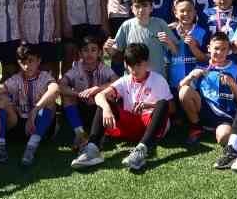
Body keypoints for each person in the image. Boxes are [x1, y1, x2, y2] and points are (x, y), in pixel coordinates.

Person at [70, 43, 175, 173]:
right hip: (131, 125)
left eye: (138, 65)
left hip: (150, 125)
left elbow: (171, 108)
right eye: (130, 65)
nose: (134, 70)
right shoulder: (125, 80)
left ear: (146, 63)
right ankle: (92, 149)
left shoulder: (158, 79)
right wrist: (107, 109)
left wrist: (149, 105)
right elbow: (99, 96)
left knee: (162, 103)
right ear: (125, 64)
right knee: (105, 101)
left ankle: (142, 150)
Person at [179, 31, 237, 154]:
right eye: (216, 48)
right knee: (184, 91)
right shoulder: (201, 66)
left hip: (224, 115)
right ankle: (196, 126)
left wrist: (232, 84)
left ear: (228, 50)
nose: (219, 52)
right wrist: (190, 76)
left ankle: (216, 130)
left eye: (224, 49)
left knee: (224, 138)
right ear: (209, 48)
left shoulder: (235, 69)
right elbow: (181, 87)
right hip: (203, 110)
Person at [0, 43, 61, 166]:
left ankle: (31, 147)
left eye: (31, 61)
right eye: (23, 62)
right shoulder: (16, 79)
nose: (27, 66)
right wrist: (6, 100)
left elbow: (55, 89)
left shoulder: (44, 76)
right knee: (1, 99)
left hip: (40, 123)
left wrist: (35, 111)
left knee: (51, 104)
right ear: (19, 63)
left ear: (39, 61)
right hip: (21, 124)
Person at [58, 36, 119, 154]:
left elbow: (117, 81)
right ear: (80, 53)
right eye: (85, 50)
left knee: (108, 97)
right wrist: (78, 94)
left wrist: (97, 89)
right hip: (81, 107)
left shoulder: (104, 68)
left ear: (99, 53)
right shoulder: (76, 68)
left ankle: (97, 135)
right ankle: (80, 133)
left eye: (93, 50)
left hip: (97, 110)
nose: (89, 54)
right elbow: (61, 85)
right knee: (67, 97)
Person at [108, 0, 176, 74]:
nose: (141, 10)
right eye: (137, 6)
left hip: (156, 76)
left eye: (144, 5)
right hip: (134, 78)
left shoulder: (160, 24)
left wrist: (169, 42)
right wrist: (109, 49)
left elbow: (176, 51)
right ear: (132, 9)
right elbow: (116, 54)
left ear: (151, 7)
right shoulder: (126, 26)